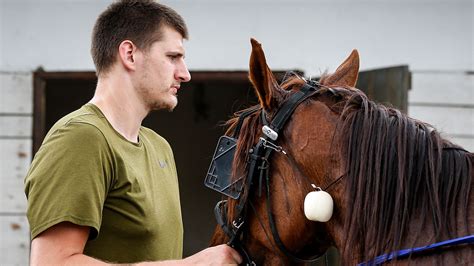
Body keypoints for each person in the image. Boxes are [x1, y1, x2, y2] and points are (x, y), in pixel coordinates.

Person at [24, 0, 242, 264]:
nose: (185, 74)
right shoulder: (81, 138)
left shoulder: (159, 147)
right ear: (129, 54)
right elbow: (52, 262)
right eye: (172, 57)